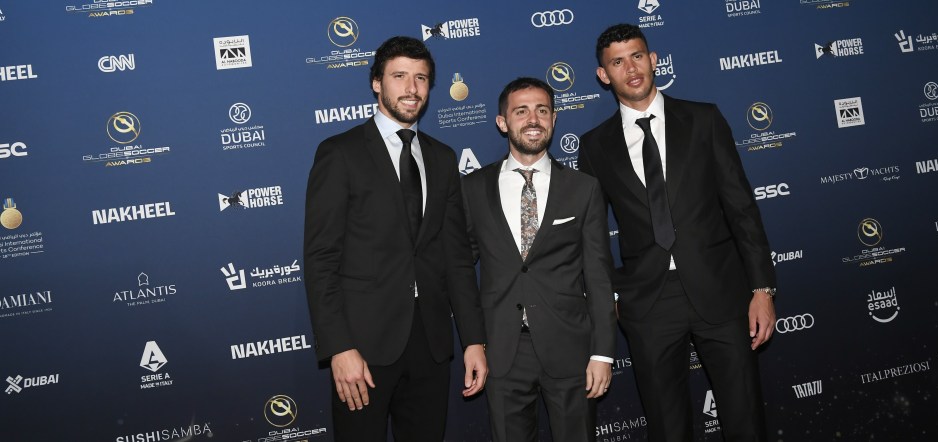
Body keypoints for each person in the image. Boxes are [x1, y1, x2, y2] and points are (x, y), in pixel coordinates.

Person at [578, 24, 778, 442]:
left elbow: (741, 207)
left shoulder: (703, 119)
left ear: (653, 60)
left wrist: (762, 288)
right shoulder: (595, 146)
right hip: (648, 302)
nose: (630, 68)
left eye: (637, 56)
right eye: (617, 62)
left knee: (745, 419)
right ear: (603, 76)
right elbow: (592, 235)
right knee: (667, 428)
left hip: (720, 290)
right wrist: (614, 296)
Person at [303, 36, 487, 441]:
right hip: (363, 346)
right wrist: (339, 347)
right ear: (376, 83)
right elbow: (320, 259)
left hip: (431, 344)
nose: (411, 88)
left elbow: (456, 257)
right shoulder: (340, 153)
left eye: (421, 78)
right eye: (399, 76)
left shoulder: (442, 157)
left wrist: (474, 340)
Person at [461, 77, 617, 442]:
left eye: (542, 110)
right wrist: (473, 341)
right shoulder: (472, 189)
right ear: (503, 122)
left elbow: (598, 275)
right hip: (501, 352)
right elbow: (460, 273)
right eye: (521, 111)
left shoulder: (583, 188)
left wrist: (603, 354)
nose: (533, 119)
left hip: (570, 348)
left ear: (554, 118)